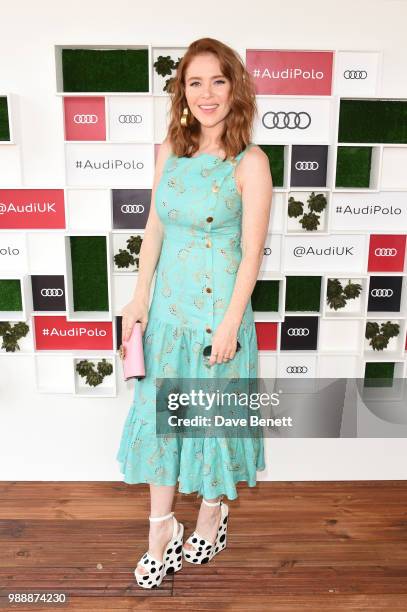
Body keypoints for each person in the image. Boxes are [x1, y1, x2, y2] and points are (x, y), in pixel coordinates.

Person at [117, 36, 273, 589]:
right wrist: (139, 298)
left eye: (218, 81)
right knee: (164, 424)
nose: (206, 94)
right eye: (194, 82)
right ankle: (160, 529)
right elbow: (155, 228)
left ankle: (212, 511)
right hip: (168, 318)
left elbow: (252, 252)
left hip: (217, 320)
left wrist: (231, 323)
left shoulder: (250, 162)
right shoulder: (168, 152)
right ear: (182, 91)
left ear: (236, 88)